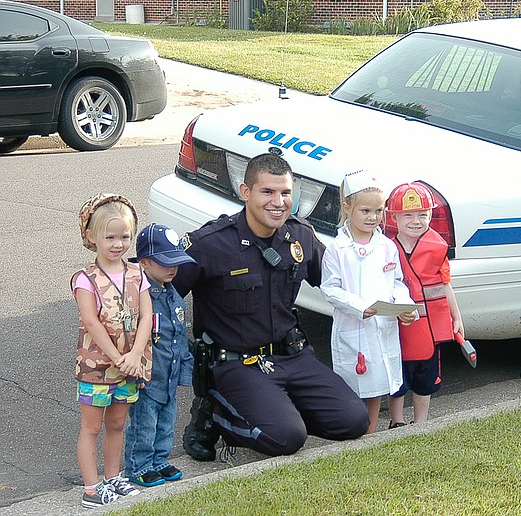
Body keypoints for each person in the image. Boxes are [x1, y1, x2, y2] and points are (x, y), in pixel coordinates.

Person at [174, 152, 370, 461]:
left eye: (285, 192)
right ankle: (215, 414)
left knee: (354, 420)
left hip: (292, 356)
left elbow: (338, 281)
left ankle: (276, 408)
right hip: (237, 363)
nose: (278, 201)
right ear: (246, 192)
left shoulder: (300, 236)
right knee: (286, 437)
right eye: (267, 191)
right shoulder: (211, 244)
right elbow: (163, 294)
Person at [320, 170, 418, 434]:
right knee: (354, 384)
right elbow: (330, 289)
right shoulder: (336, 250)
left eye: (378, 211)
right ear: (347, 207)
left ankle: (370, 434)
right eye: (365, 211)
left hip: (383, 326)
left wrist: (404, 306)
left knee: (376, 385)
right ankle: (355, 432)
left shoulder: (387, 246)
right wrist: (361, 308)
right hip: (354, 328)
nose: (373, 218)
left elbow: (396, 282)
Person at [71, 194, 153, 508]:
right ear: (91, 236)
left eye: (125, 237)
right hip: (97, 367)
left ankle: (114, 478)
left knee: (118, 423)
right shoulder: (85, 279)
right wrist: (118, 357)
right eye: (110, 237)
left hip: (130, 366)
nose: (118, 244)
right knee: (91, 427)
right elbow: (91, 322)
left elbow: (147, 316)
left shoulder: (138, 273)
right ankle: (92, 487)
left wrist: (133, 357)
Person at [385, 182, 464, 429]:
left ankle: (421, 424)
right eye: (408, 215)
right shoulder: (385, 248)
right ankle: (396, 422)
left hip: (428, 329)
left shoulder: (437, 248)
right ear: (394, 217)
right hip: (396, 327)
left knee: (425, 378)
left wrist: (456, 317)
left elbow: (445, 285)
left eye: (422, 215)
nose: (416, 221)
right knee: (397, 378)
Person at [124, 223, 196, 487]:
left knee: (166, 422)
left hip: (170, 373)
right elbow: (133, 337)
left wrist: (185, 368)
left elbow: (178, 332)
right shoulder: (139, 297)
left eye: (176, 261)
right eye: (165, 262)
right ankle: (139, 466)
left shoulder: (172, 293)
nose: (172, 268)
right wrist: (136, 370)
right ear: (143, 263)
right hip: (148, 376)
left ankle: (159, 460)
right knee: (145, 424)